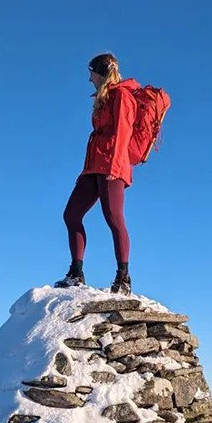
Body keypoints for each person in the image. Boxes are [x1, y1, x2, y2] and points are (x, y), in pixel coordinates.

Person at [55, 52, 140, 295]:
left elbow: (123, 133)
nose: (88, 77)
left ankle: (123, 277)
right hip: (94, 166)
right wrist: (86, 171)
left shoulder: (122, 95)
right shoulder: (103, 97)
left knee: (113, 218)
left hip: (114, 166)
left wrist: (114, 168)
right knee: (71, 214)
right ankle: (76, 273)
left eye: (90, 72)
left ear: (99, 72)